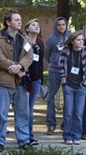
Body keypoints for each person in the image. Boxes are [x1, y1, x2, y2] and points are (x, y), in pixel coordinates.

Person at [0, 10, 33, 151]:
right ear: (8, 22)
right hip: (4, 82)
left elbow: (30, 55)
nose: (20, 22)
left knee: (23, 113)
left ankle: (24, 140)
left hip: (21, 82)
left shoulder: (24, 38)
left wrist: (20, 67)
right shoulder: (0, 38)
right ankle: (0, 142)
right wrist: (13, 67)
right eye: (16, 20)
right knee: (1, 114)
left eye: (20, 19)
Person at [59, 31, 86, 145]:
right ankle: (67, 135)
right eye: (78, 40)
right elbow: (61, 66)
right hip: (68, 85)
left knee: (78, 113)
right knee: (68, 113)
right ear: (72, 41)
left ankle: (76, 135)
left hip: (81, 87)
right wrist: (64, 81)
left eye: (82, 40)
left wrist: (84, 83)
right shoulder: (66, 51)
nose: (81, 42)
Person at [45, 17, 70, 135]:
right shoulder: (51, 39)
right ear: (56, 26)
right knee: (51, 98)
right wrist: (54, 61)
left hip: (68, 71)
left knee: (68, 98)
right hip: (54, 70)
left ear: (66, 25)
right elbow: (47, 54)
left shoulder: (70, 38)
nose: (61, 27)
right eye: (59, 25)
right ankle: (51, 125)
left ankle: (66, 125)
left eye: (63, 24)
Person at [24, 18, 44, 146]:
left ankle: (30, 136)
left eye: (38, 25)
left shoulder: (40, 44)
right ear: (27, 29)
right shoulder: (24, 42)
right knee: (25, 109)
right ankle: (25, 137)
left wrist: (41, 81)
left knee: (30, 108)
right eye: (33, 25)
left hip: (36, 80)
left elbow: (41, 64)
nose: (37, 27)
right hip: (25, 79)